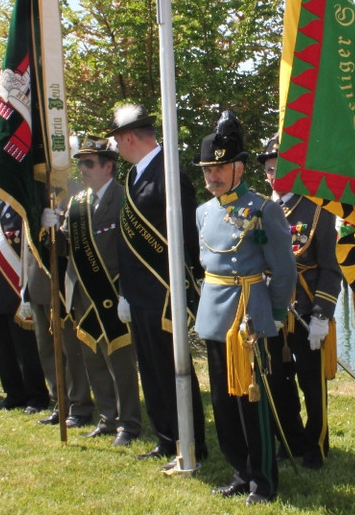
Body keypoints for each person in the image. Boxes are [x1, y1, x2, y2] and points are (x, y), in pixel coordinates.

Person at [194, 111, 296, 505]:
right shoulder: (204, 212)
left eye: (220, 168)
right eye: (207, 169)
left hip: (250, 317)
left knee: (252, 401)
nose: (213, 176)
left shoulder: (262, 209)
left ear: (238, 167)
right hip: (214, 315)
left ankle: (263, 480)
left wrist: (273, 315)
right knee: (222, 400)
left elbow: (284, 271)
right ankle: (240, 469)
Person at [108, 103, 207, 462]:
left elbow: (186, 238)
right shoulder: (135, 175)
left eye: (117, 141)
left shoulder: (169, 174)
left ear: (129, 137)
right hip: (139, 293)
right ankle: (166, 438)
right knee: (150, 368)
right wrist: (125, 293)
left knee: (172, 367)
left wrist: (185, 285)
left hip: (165, 292)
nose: (116, 148)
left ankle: (191, 441)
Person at [257, 135, 343, 470]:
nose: (274, 175)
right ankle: (288, 439)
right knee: (278, 380)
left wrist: (322, 314)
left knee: (311, 382)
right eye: (269, 169)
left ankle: (316, 445)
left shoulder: (318, 209)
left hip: (307, 311)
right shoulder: (261, 211)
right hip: (272, 312)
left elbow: (331, 269)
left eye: (280, 167)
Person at [62, 134, 142, 447]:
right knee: (91, 358)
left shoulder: (124, 199)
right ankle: (108, 418)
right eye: (80, 163)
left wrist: (126, 293)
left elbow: (131, 252)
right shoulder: (78, 202)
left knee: (120, 362)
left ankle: (129, 423)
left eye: (88, 164)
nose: (81, 169)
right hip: (82, 294)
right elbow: (68, 247)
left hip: (111, 296)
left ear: (108, 166)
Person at [24, 210, 95, 428]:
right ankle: (60, 402)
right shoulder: (31, 200)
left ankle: (79, 405)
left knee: (70, 351)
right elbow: (26, 248)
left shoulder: (71, 197)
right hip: (36, 285)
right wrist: (24, 287)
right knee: (47, 351)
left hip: (62, 287)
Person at [0, 197, 50, 413]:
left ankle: (36, 397)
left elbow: (29, 251)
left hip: (17, 288)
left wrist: (27, 289)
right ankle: (14, 393)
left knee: (26, 349)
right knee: (4, 349)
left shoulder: (23, 206)